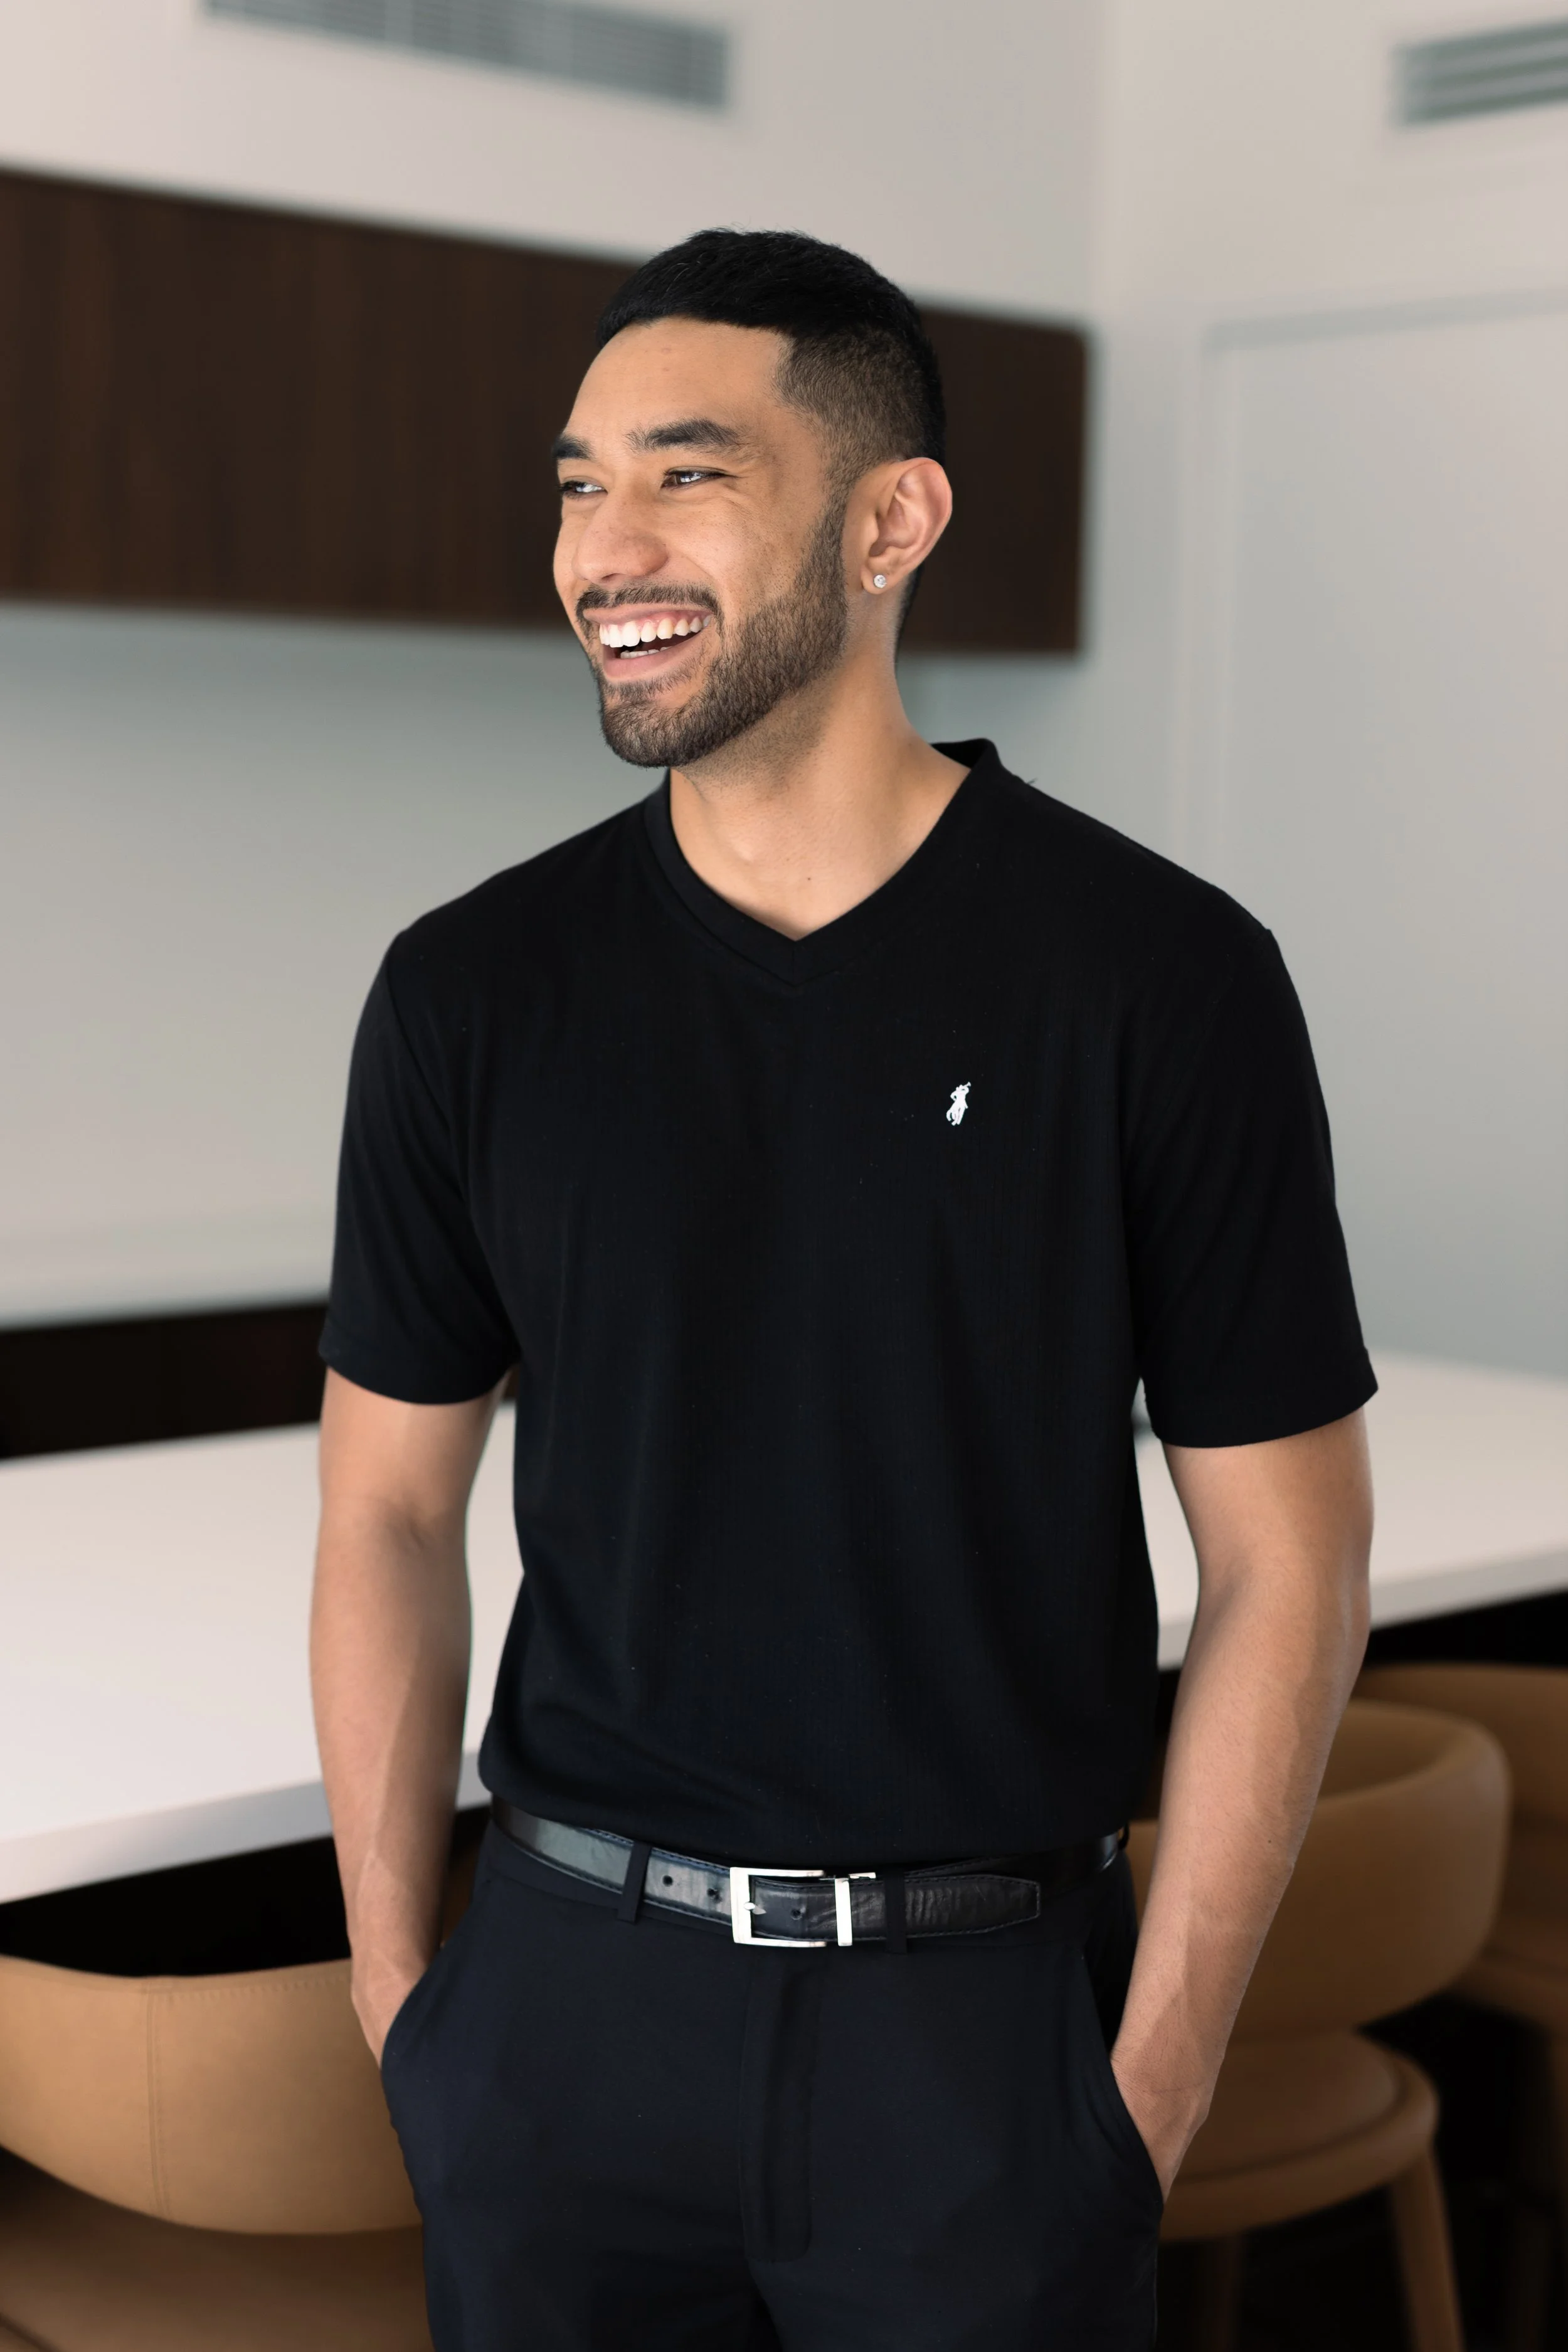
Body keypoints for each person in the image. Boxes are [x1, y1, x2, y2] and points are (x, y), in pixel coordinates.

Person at [311, 228, 1375, 2351]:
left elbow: (1290, 1562)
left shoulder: (1159, 981)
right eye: (574, 480)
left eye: (684, 472)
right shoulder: (470, 993)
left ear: (890, 520)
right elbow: (389, 1510)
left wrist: (1141, 2086)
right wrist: (407, 1997)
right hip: (558, 2016)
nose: (602, 544)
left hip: (974, 2048)